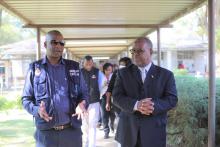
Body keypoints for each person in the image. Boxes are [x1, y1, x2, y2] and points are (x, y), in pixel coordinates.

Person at [22, 30, 88, 147]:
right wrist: (37, 110)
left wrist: (82, 104)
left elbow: (84, 93)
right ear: (45, 45)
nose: (58, 46)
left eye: (61, 43)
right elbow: (26, 99)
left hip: (72, 133)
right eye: (54, 42)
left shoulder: (74, 67)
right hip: (46, 135)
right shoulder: (34, 68)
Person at [112, 37, 178, 147]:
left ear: (151, 51)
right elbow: (117, 97)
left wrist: (152, 106)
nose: (135, 54)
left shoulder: (166, 75)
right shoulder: (122, 73)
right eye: (133, 51)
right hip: (128, 132)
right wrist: (137, 105)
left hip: (154, 133)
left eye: (140, 51)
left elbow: (172, 99)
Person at [81, 55, 104, 147]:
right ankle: (85, 144)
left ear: (92, 63)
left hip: (94, 102)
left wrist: (100, 95)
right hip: (83, 103)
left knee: (92, 125)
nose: (88, 65)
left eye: (90, 63)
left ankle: (92, 145)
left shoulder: (98, 72)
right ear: (83, 63)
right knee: (84, 126)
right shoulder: (79, 72)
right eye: (86, 64)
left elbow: (103, 85)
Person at [100, 62, 115, 139]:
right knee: (104, 115)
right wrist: (104, 85)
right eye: (108, 70)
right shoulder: (100, 76)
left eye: (111, 70)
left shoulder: (114, 76)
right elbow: (98, 87)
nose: (109, 72)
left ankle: (112, 125)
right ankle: (106, 131)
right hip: (103, 97)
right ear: (104, 70)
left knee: (112, 114)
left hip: (113, 97)